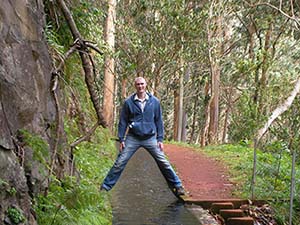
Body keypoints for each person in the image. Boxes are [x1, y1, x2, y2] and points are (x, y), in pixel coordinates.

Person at [100, 77, 185, 197]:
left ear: (146, 85)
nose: (140, 86)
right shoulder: (129, 102)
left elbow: (159, 121)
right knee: (120, 162)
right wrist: (121, 139)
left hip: (150, 138)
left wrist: (160, 139)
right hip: (133, 137)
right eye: (138, 84)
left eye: (142, 84)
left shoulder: (154, 102)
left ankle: (177, 186)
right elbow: (123, 122)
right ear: (135, 86)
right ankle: (105, 188)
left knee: (163, 161)